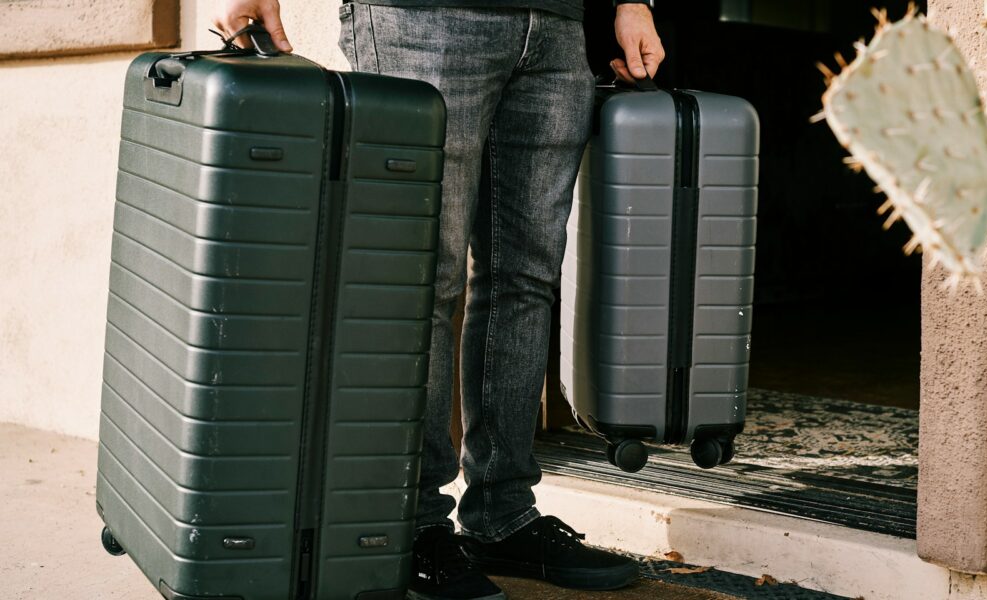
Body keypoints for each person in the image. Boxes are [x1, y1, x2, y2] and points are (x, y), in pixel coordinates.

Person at [214, 2, 666, 599]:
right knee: (423, 279)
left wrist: (633, 3)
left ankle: (502, 515)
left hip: (555, 24)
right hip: (422, 18)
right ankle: (411, 524)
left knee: (525, 279)